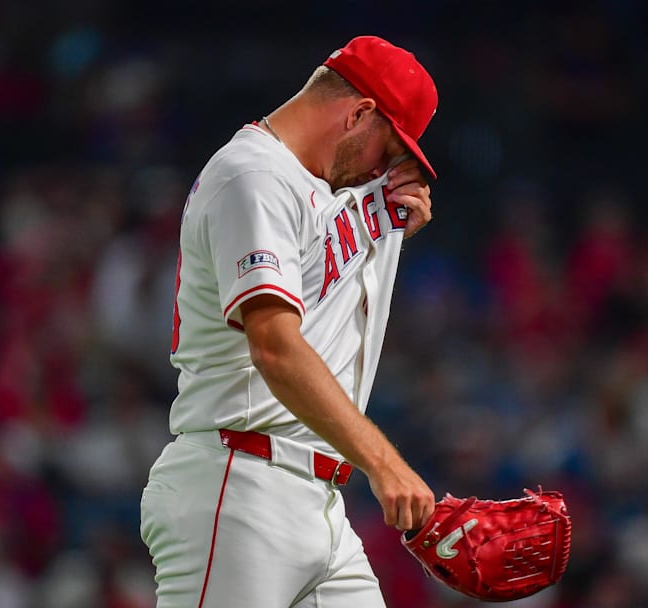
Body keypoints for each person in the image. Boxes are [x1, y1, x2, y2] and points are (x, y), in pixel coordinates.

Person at [140, 35, 439, 607]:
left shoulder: (316, 192)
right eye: (391, 146)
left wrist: (387, 229)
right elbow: (275, 348)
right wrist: (384, 463)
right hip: (238, 485)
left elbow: (316, 307)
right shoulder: (253, 176)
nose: (386, 167)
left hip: (317, 500)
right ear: (359, 113)